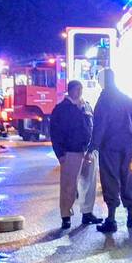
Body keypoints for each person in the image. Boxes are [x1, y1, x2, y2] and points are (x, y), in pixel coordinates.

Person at [91, 68, 132, 233]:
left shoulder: (104, 100)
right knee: (128, 179)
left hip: (110, 148)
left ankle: (111, 219)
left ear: (104, 81)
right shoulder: (128, 100)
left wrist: (92, 147)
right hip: (127, 147)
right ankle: (131, 217)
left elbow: (100, 126)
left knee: (110, 180)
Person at [49, 80, 98, 230]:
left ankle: (87, 213)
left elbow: (93, 127)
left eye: (80, 89)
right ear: (69, 91)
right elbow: (55, 133)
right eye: (77, 89)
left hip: (88, 151)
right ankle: (66, 216)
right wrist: (60, 154)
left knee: (89, 185)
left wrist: (93, 148)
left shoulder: (87, 106)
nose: (79, 92)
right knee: (68, 186)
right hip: (71, 152)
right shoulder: (61, 109)